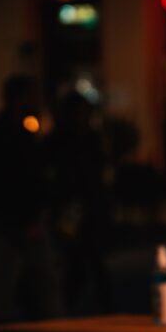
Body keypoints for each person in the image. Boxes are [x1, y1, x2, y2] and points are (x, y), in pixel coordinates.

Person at [0, 75, 63, 320]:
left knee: (42, 284)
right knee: (6, 288)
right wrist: (21, 219)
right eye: (33, 95)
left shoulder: (21, 133)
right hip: (9, 222)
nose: (38, 101)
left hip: (24, 219)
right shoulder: (0, 136)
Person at [47, 91, 113, 313]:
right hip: (71, 206)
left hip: (88, 205)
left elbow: (99, 170)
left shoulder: (90, 138)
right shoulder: (62, 140)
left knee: (92, 260)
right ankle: (70, 306)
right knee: (77, 259)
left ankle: (100, 307)